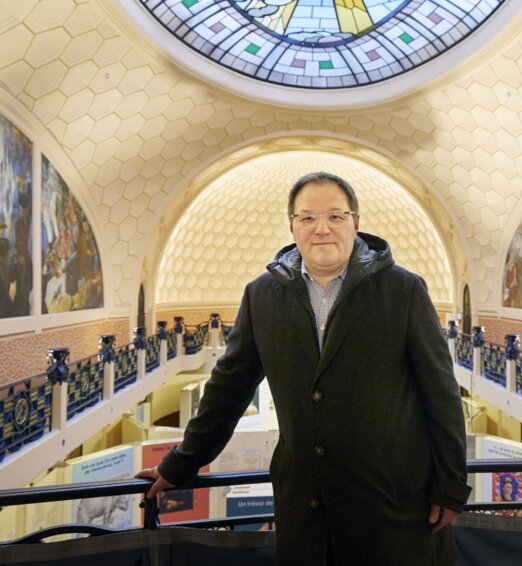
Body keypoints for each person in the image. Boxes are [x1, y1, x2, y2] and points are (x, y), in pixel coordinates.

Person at [137, 172, 471, 565]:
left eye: (335, 216)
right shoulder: (261, 295)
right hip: (306, 510)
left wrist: (450, 484)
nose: (322, 229)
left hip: (391, 505)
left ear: (356, 222)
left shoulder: (404, 290)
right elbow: (229, 388)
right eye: (308, 218)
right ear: (292, 226)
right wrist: (183, 461)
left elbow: (441, 393)